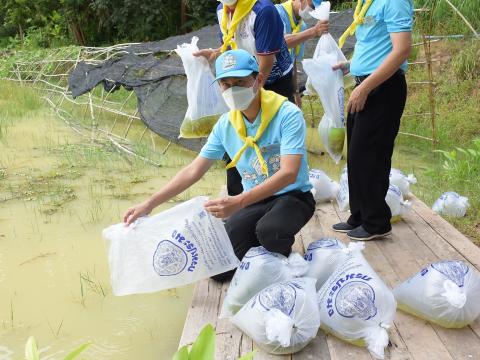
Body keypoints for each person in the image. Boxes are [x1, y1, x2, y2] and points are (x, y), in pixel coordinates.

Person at [123, 50, 315, 281]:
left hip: (293, 196)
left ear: (259, 80)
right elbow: (194, 170)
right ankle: (259, 244)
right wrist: (149, 203)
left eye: (241, 82)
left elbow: (289, 173)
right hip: (256, 200)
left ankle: (283, 257)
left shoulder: (287, 114)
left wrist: (239, 201)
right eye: (226, 84)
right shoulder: (226, 125)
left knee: (270, 231)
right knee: (220, 270)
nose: (233, 90)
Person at [194, 0, 296, 198]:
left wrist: (252, 92)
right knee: (237, 140)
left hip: (269, 81)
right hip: (240, 83)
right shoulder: (222, 10)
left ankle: (278, 200)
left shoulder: (263, 11)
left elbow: (266, 61)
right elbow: (230, 46)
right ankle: (237, 199)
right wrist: (215, 54)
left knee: (272, 147)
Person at [331, 0, 413, 240]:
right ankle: (360, 215)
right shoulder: (368, 2)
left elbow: (401, 50)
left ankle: (376, 222)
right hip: (365, 83)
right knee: (356, 155)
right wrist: (350, 66)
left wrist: (365, 87)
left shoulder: (395, 2)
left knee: (370, 155)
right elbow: (375, 44)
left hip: (383, 88)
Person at [275, 0, 329, 106]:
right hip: (270, 82)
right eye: (312, 6)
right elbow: (279, 43)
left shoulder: (302, 26)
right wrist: (313, 31)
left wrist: (296, 92)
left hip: (285, 81)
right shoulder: (276, 13)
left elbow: (293, 61)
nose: (312, 11)